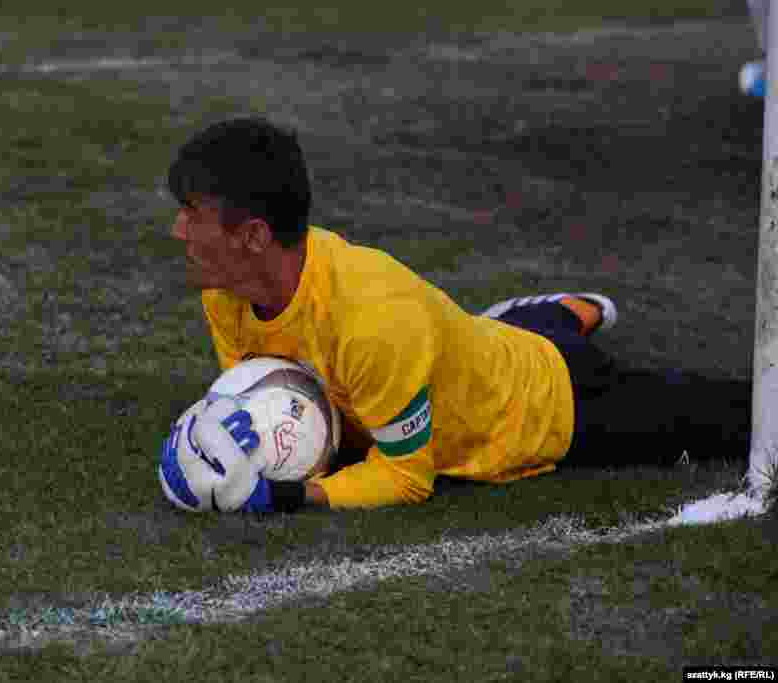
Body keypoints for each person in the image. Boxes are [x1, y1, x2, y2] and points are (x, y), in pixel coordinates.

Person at [162, 117, 752, 513]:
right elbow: (272, 394)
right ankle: (547, 315)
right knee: (489, 339)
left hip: (542, 404)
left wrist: (287, 497)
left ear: (255, 236)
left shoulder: (371, 320)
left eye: (193, 215)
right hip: (468, 351)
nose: (178, 231)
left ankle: (550, 321)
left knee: (734, 420)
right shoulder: (225, 289)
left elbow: (405, 478)